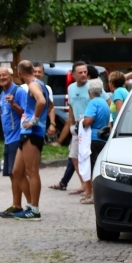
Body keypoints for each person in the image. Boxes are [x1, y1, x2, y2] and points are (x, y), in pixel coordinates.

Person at [12, 60, 50, 221]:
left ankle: (34, 210)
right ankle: (30, 206)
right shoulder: (38, 83)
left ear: (19, 73)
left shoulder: (34, 85)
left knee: (32, 171)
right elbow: (47, 103)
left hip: (33, 132)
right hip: (27, 132)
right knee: (17, 171)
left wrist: (34, 120)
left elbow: (41, 101)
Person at [50, 61, 89, 194]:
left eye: (85, 72)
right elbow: (71, 106)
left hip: (90, 127)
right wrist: (71, 123)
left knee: (87, 158)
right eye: (80, 73)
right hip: (77, 128)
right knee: (74, 157)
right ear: (73, 75)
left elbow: (105, 102)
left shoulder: (92, 86)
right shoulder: (71, 88)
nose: (83, 75)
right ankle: (83, 184)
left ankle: (90, 187)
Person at [0, 66, 28, 218]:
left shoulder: (18, 91)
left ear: (11, 76)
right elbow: (4, 113)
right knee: (11, 174)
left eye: (5, 75)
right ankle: (17, 205)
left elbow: (26, 113)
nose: (2, 77)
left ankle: (29, 206)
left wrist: (14, 103)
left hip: (17, 137)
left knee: (17, 173)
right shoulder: (2, 94)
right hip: (8, 139)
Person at [76, 78, 111, 205]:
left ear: (89, 91)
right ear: (101, 90)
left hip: (93, 138)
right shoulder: (104, 103)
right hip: (103, 137)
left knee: (90, 167)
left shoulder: (93, 103)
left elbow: (89, 120)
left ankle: (90, 194)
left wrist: (81, 121)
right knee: (97, 166)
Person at [21, 63, 56, 142]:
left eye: (39, 72)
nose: (37, 74)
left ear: (43, 74)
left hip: (32, 129)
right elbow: (49, 104)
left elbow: (44, 103)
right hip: (27, 126)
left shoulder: (42, 86)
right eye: (35, 71)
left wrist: (35, 119)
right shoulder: (22, 87)